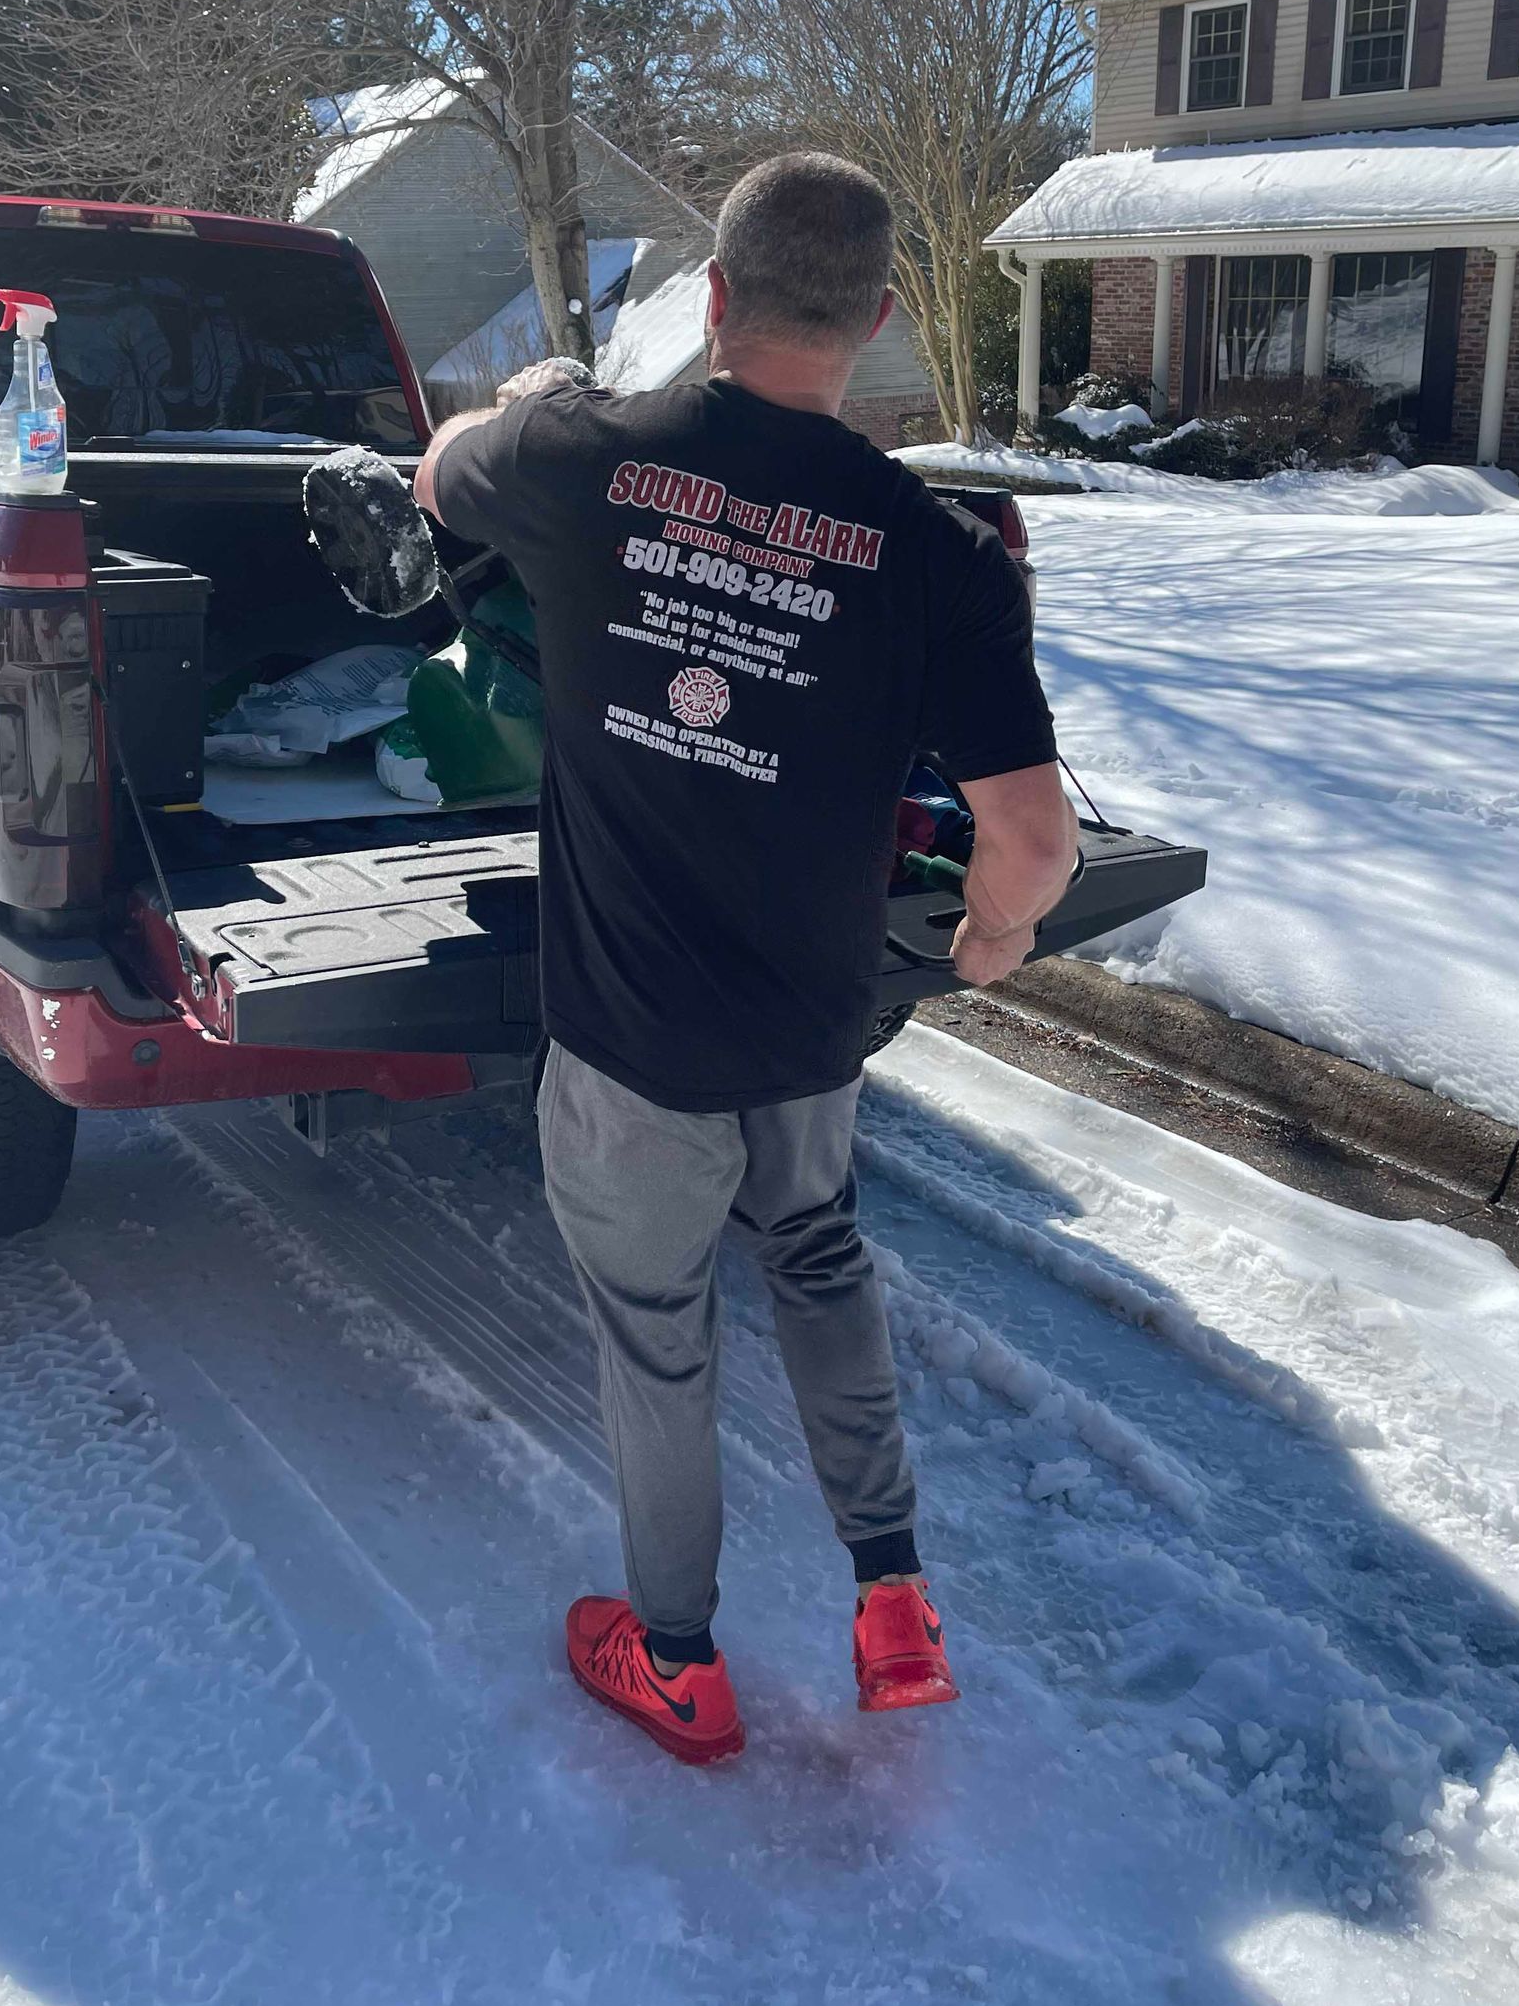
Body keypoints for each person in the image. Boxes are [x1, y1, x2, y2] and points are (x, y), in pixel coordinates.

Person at [415, 153, 1076, 1765]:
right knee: (821, 1254)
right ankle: (893, 1595)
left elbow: (438, 473)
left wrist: (542, 396)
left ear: (712, 294)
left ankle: (682, 1659)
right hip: (809, 1032)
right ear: (882, 318)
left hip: (633, 1049)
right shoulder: (935, 554)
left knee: (658, 1333)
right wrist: (991, 943)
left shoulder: (584, 454)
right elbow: (1037, 839)